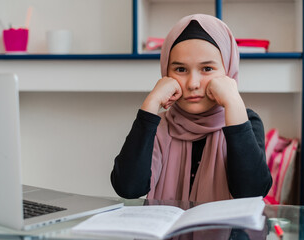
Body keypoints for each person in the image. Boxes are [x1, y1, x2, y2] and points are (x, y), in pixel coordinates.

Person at [110, 14, 272, 203]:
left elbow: (252, 192)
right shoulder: (159, 126)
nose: (193, 84)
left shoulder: (246, 121)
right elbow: (128, 188)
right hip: (165, 232)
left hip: (228, 233)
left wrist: (233, 103)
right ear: (166, 72)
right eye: (180, 70)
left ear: (228, 71)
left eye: (207, 69)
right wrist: (151, 103)